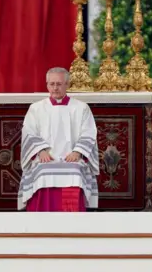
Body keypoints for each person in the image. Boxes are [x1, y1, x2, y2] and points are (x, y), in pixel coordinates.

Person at [18, 67, 99, 212]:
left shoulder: (81, 108)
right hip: (45, 158)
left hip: (72, 158)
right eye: (52, 84)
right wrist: (40, 151)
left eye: (59, 84)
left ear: (67, 84)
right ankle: (41, 220)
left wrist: (78, 152)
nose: (55, 88)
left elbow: (89, 132)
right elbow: (29, 132)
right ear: (47, 84)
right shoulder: (36, 108)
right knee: (42, 172)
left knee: (74, 173)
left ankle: (71, 220)